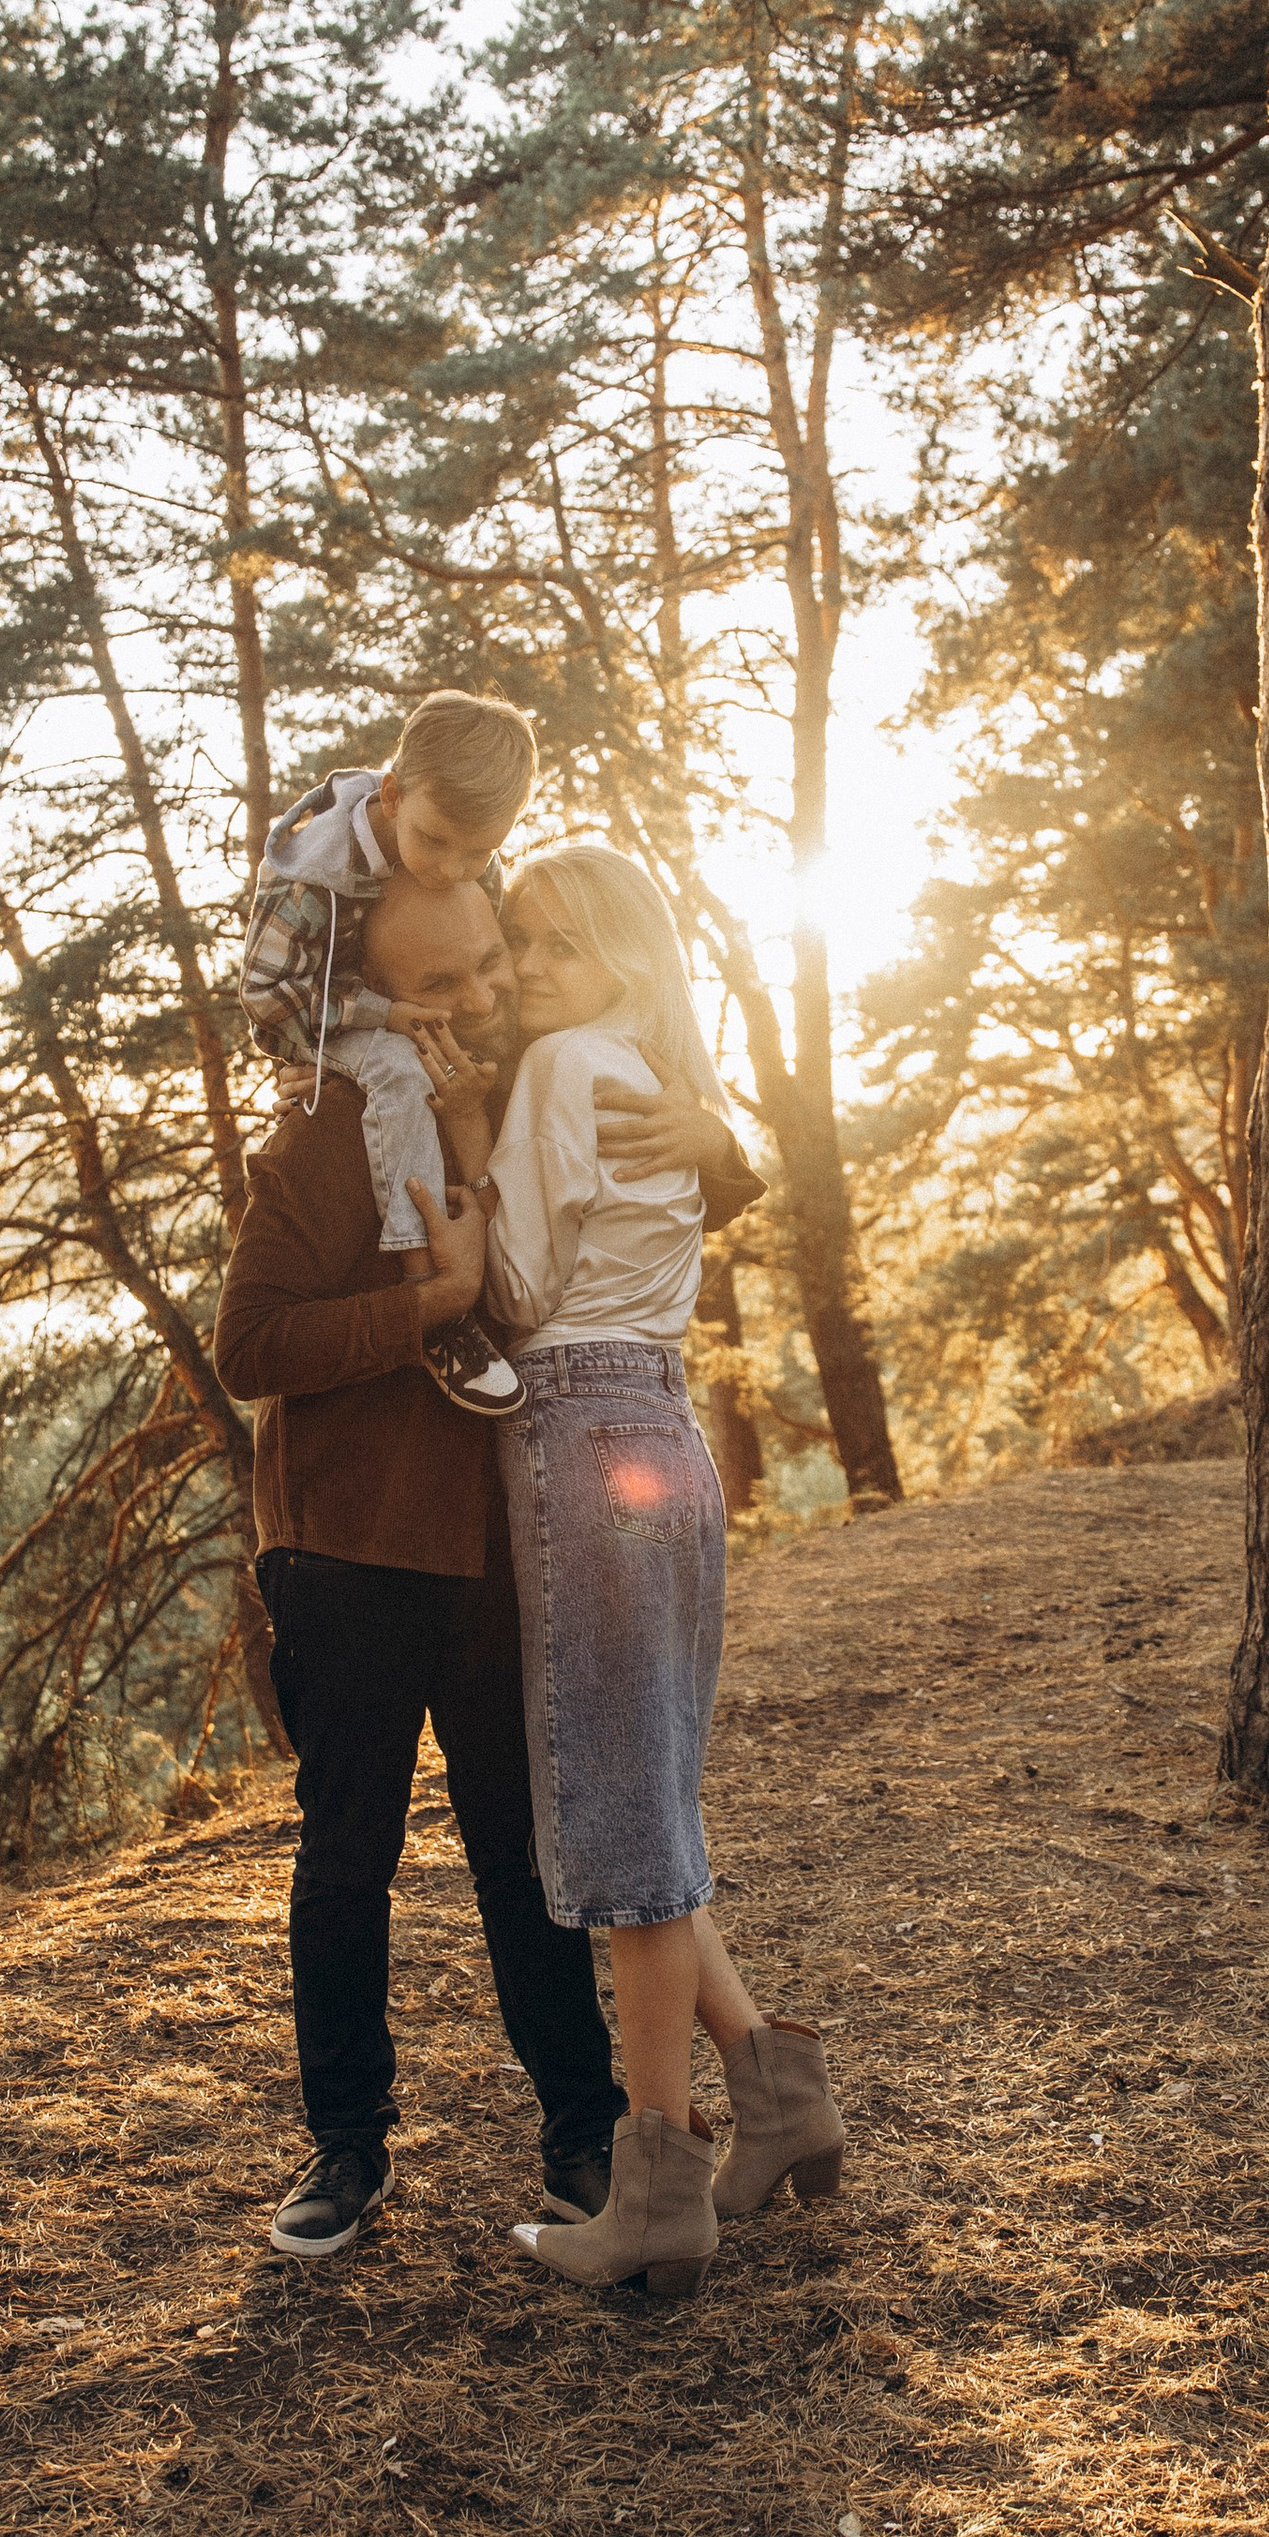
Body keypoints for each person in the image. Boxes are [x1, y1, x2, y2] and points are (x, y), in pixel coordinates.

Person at [211, 870, 766, 2261]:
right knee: (350, 1861)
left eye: (489, 968)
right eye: (444, 981)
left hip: (506, 1545)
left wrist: (724, 1141)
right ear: (377, 995)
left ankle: (587, 2132)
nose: (478, 996)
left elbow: (660, 1204)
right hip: (346, 1545)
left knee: (538, 1855)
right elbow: (250, 1347)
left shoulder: (543, 1076)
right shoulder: (329, 1138)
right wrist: (430, 1307)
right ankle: (347, 2147)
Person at [460, 841, 845, 2304]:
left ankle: (655, 2195)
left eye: (556, 943)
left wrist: (447, 1242)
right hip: (667, 1426)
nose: (531, 970)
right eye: (521, 942)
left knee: (622, 1832)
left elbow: (521, 1287)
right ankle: (780, 2094)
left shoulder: (567, 1066)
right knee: (648, 1801)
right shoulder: (653, 1073)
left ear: (621, 953)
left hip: (581, 1425)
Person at [238, 688, 538, 1420]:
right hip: (322, 1016)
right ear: (395, 793)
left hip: (400, 1007)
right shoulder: (311, 872)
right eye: (435, 841)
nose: (453, 868)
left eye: (480, 849)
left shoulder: (465, 860)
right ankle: (427, 1292)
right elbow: (268, 1001)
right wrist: (373, 1019)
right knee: (401, 1073)